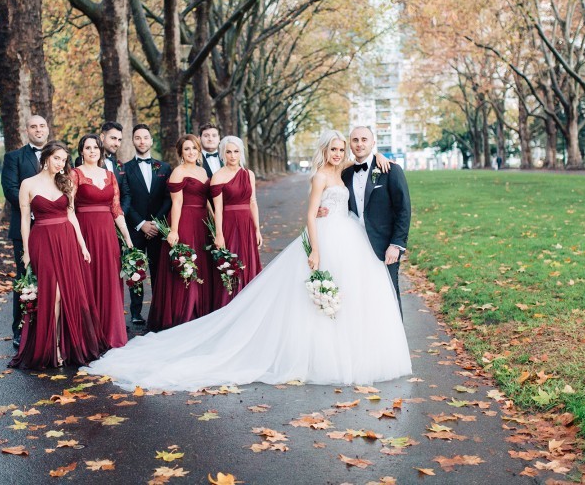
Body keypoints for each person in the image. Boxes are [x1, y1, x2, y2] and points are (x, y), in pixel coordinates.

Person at [86, 131, 411, 390]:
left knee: (351, 293)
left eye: (344, 149)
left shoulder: (349, 170)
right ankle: (316, 356)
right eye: (335, 149)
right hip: (324, 237)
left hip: (350, 236)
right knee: (312, 298)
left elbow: (362, 170)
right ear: (325, 150)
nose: (340, 153)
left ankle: (352, 351)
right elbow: (310, 214)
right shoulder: (320, 177)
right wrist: (314, 248)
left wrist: (378, 155)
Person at [9, 141, 102, 369]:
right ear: (46, 158)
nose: (61, 163)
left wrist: (82, 245)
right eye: (57, 158)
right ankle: (50, 347)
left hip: (67, 239)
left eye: (64, 160)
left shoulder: (66, 182)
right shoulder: (27, 184)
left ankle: (62, 345)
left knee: (67, 292)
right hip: (42, 240)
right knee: (52, 294)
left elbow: (72, 216)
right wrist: (27, 252)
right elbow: (24, 221)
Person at [72, 134, 134, 349]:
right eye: (88, 148)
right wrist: (78, 240)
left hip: (107, 234)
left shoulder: (109, 175)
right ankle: (88, 336)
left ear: (101, 151)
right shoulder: (75, 174)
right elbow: (69, 208)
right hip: (84, 232)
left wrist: (127, 238)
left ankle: (110, 334)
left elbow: (116, 209)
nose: (92, 151)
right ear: (81, 151)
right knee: (86, 281)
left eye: (95, 147)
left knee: (108, 280)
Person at [341, 126, 411, 314]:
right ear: (350, 144)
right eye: (355, 140)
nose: (359, 144)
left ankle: (395, 342)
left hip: (384, 246)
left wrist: (396, 245)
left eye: (364, 139)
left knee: (389, 297)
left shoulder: (390, 170)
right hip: (354, 247)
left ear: (373, 143)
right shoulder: (345, 174)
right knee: (362, 297)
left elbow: (403, 209)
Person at [147, 135, 214, 331]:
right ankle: (184, 312)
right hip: (185, 220)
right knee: (187, 263)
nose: (191, 152)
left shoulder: (202, 171)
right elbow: (176, 203)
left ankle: (201, 310)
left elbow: (208, 200)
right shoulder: (178, 172)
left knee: (202, 264)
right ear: (181, 152)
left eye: (194, 148)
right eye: (187, 149)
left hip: (202, 222)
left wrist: (214, 224)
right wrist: (174, 230)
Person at [1, 115, 49, 348]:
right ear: (26, 131)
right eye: (33, 127)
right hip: (25, 229)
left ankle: (49, 326)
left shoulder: (59, 155)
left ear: (47, 129)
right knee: (25, 278)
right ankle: (20, 329)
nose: (38, 130)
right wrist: (31, 210)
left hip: (54, 228)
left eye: (42, 126)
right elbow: (10, 189)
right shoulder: (14, 158)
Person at [122, 124, 172, 327]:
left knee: (159, 269)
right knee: (136, 271)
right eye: (138, 138)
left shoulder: (165, 168)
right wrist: (141, 223)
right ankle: (136, 312)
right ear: (133, 141)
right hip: (136, 228)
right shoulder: (124, 168)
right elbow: (126, 200)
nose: (142, 141)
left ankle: (159, 310)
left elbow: (168, 199)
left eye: (145, 137)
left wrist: (156, 223)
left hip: (158, 228)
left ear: (151, 141)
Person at [208, 135, 262, 311]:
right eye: (228, 152)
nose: (232, 155)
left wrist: (257, 229)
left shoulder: (248, 174)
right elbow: (218, 209)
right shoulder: (218, 177)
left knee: (249, 262)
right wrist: (219, 234)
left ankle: (250, 307)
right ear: (223, 154)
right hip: (229, 225)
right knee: (232, 265)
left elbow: (253, 202)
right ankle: (230, 308)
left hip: (247, 224)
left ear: (241, 153)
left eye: (236, 151)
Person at [74, 121, 130, 212]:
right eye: (113, 138)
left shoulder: (120, 166)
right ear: (102, 137)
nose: (117, 144)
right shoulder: (83, 161)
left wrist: (120, 214)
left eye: (119, 140)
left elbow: (126, 194)